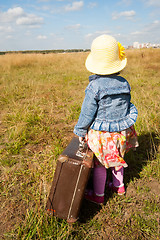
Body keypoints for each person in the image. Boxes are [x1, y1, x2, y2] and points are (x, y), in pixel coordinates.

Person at [73, 34, 139, 204]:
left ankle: (99, 195)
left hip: (103, 134)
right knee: (118, 159)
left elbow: (87, 113)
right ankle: (119, 187)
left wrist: (80, 130)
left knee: (100, 164)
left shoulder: (94, 86)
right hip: (122, 131)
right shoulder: (124, 82)